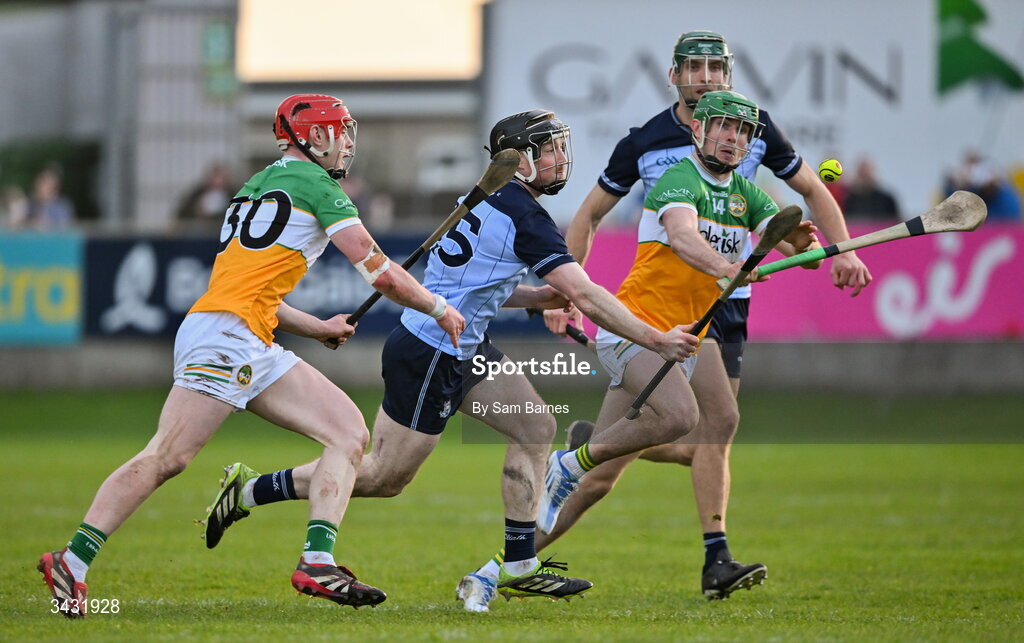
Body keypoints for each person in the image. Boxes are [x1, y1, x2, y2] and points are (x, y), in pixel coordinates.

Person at [199, 109, 701, 613]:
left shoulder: (480, 198)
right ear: (520, 160)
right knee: (382, 477)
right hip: (429, 352)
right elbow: (587, 297)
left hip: (465, 344)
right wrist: (657, 340)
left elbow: (475, 288)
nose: (559, 159)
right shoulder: (526, 218)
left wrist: (535, 299)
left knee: (536, 428)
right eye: (548, 149)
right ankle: (251, 489)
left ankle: (521, 562)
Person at [37, 94, 466, 617]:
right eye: (340, 130)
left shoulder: (254, 187)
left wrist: (317, 327)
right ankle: (72, 561)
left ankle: (317, 560)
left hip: (246, 331)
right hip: (226, 335)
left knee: (348, 433)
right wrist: (438, 305)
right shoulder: (319, 186)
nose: (349, 141)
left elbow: (255, 290)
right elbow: (382, 274)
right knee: (168, 457)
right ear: (314, 138)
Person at [540, 46, 834, 600]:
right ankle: (705, 548)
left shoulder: (743, 188)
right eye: (721, 127)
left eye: (741, 132)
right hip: (642, 325)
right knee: (700, 420)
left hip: (690, 330)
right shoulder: (676, 177)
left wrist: (809, 242)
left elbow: (791, 230)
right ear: (698, 130)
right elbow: (682, 236)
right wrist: (730, 268)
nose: (732, 138)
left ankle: (515, 559)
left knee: (638, 460)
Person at [26, 164, 76, 230]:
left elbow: (65, 228)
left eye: (44, 182)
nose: (39, 186)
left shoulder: (62, 206)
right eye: (39, 181)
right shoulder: (29, 204)